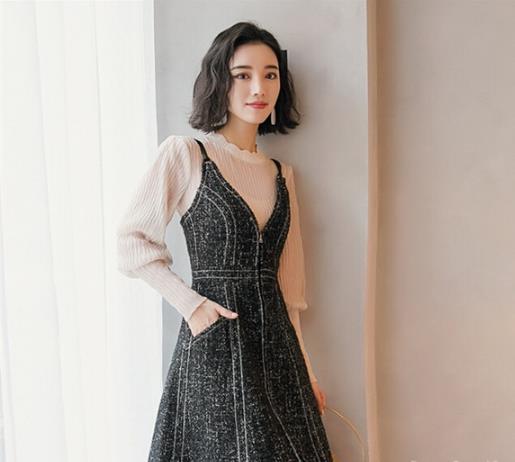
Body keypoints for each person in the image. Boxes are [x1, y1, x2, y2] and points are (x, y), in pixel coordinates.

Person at [117, 21, 334, 461]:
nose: (259, 87)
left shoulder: (282, 175)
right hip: (215, 348)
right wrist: (192, 305)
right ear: (220, 80)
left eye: (270, 75)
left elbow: (290, 294)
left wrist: (307, 372)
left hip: (279, 357)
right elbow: (131, 243)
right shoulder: (186, 154)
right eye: (242, 74)